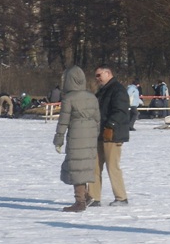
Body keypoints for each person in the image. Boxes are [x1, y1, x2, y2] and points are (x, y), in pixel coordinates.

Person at [53, 66, 101, 212]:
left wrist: (58, 139)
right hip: (90, 137)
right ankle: (86, 196)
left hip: (76, 137)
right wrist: (94, 135)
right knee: (83, 167)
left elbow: (63, 121)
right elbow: (97, 119)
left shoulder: (69, 98)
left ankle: (80, 202)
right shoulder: (92, 97)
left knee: (76, 168)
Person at [88, 64, 131, 207]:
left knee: (112, 166)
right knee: (94, 166)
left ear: (108, 73)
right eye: (96, 76)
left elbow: (120, 111)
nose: (97, 78)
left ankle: (121, 197)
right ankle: (93, 197)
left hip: (113, 134)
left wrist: (110, 125)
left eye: (99, 75)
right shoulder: (102, 91)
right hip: (99, 133)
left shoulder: (118, 90)